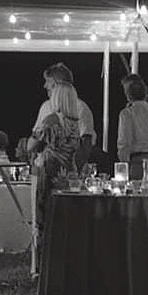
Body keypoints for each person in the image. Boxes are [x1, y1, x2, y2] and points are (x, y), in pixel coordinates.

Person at [27, 80, 90, 278]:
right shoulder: (75, 123)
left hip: (50, 171)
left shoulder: (51, 120)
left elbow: (31, 145)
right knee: (65, 220)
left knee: (44, 217)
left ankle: (43, 267)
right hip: (69, 173)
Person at [33, 64, 98, 156]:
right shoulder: (45, 107)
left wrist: (74, 168)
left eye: (48, 81)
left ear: (59, 84)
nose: (45, 86)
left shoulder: (81, 108)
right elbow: (34, 143)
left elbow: (86, 144)